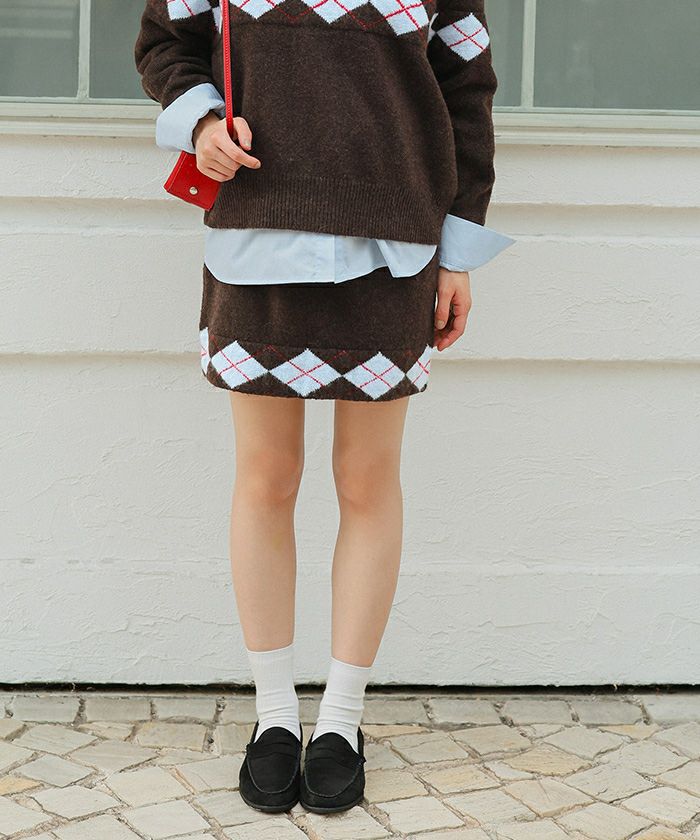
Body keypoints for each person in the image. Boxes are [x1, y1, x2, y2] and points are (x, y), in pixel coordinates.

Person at [134, 0, 514, 815]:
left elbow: (465, 85)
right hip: (258, 231)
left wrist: (459, 251)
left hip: (394, 244)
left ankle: (341, 721)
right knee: (266, 476)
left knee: (367, 480)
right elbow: (168, 41)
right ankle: (275, 716)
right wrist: (201, 122)